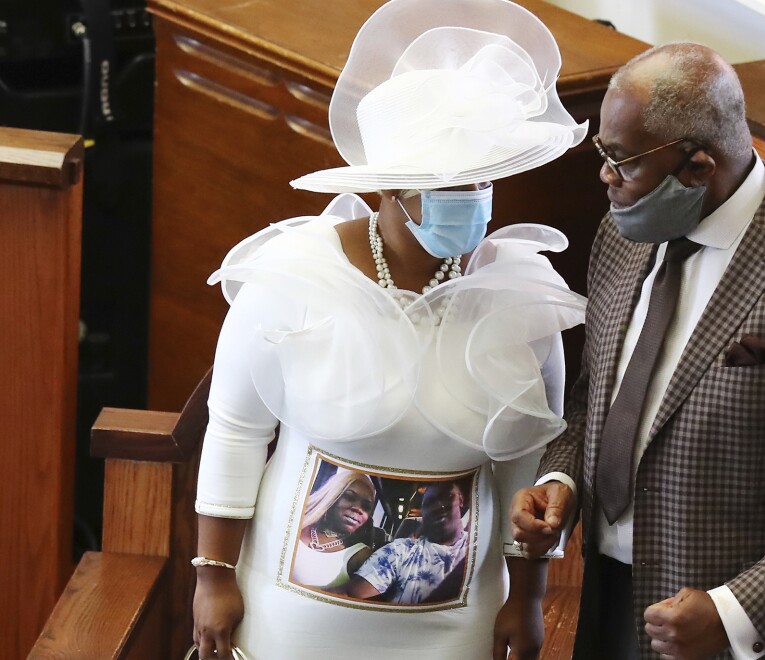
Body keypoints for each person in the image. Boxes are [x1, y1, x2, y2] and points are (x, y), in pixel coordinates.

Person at [190, 0, 590, 658]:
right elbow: (237, 429)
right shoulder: (291, 277)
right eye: (444, 186)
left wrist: (527, 596)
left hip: (454, 629)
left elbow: (525, 466)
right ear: (386, 189)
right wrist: (213, 576)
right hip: (292, 625)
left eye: (480, 182)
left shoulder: (525, 300)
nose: (469, 200)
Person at [510, 42, 765, 660]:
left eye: (622, 161)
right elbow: (594, 396)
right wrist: (561, 479)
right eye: (603, 154)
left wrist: (739, 611)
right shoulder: (622, 232)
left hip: (747, 637)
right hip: (613, 608)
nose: (605, 177)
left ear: (699, 167)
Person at [347, 480, 469, 604]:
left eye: (447, 497)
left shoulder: (482, 548)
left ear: (461, 500)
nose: (438, 506)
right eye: (429, 503)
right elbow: (350, 596)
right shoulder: (400, 550)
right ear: (423, 512)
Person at [290, 468, 376, 589]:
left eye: (366, 506)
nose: (358, 508)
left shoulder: (361, 555)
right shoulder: (297, 523)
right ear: (332, 496)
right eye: (349, 497)